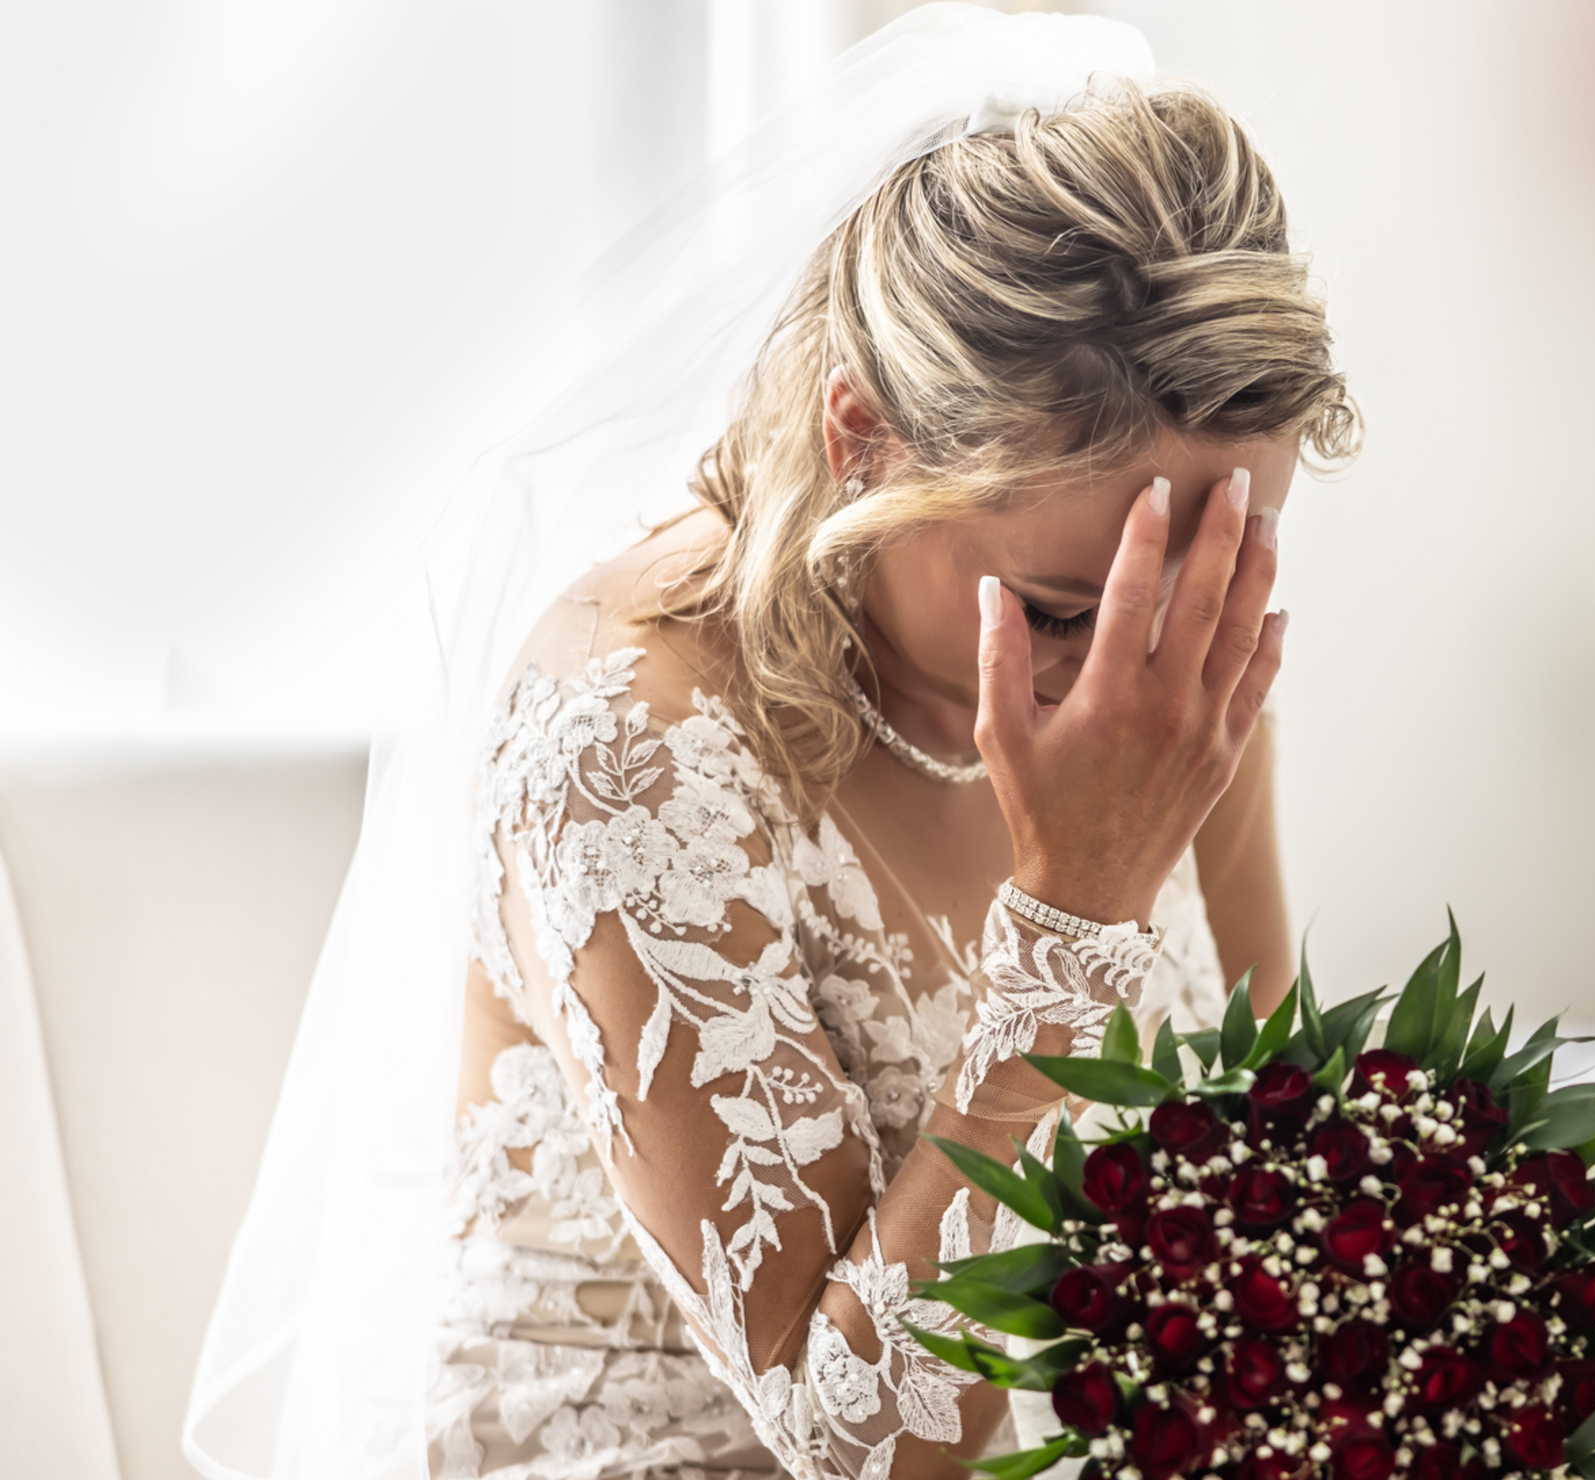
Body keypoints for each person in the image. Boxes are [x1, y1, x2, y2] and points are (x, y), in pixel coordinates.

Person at [184, 10, 1356, 1480]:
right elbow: (856, 1445)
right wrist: (1080, 924)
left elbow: (1266, 1161)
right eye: (1067, 609)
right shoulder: (631, 742)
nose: (1140, 674)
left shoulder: (1165, 664)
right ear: (862, 436)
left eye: (1211, 579)